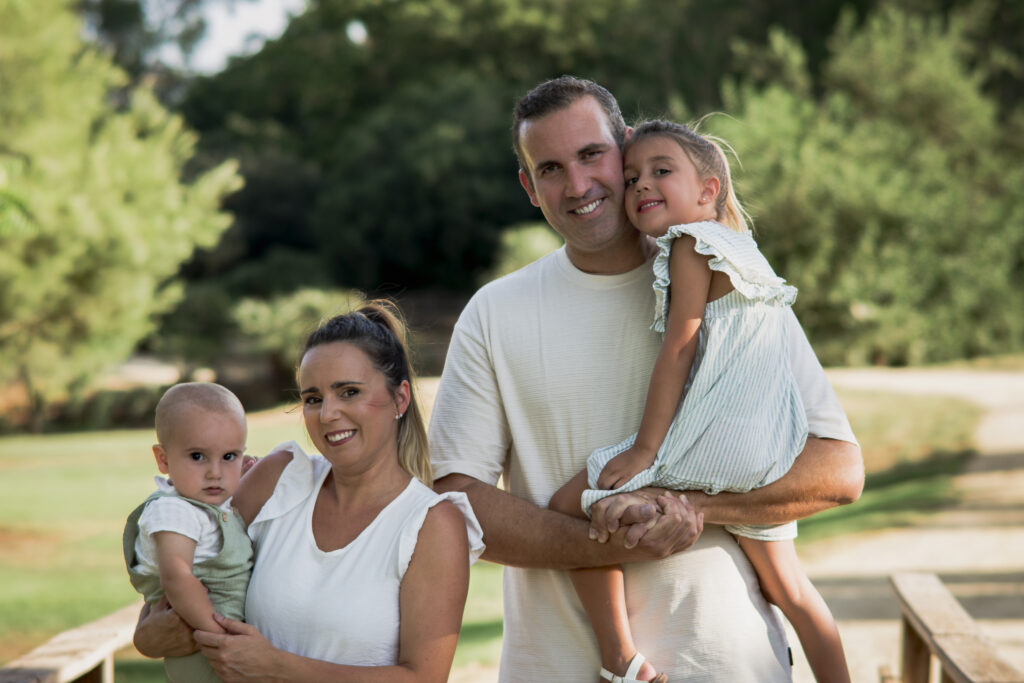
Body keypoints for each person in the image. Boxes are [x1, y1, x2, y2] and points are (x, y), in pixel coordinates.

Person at [430, 75, 863, 681]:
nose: (578, 185)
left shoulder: (727, 280)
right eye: (551, 169)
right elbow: (458, 503)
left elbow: (839, 473)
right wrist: (623, 531)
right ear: (529, 187)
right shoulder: (494, 312)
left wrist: (688, 507)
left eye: (591, 155)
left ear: (626, 148)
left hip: (726, 664)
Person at [546, 119, 849, 682]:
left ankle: (620, 659)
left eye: (662, 172)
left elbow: (679, 351)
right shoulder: (747, 253)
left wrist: (644, 450)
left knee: (572, 505)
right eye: (632, 175)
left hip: (720, 446)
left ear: (708, 191)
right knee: (791, 588)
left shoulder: (691, 244)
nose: (640, 186)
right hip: (771, 449)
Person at [133, 301, 485, 683]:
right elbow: (186, 575)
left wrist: (277, 668)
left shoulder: (432, 525)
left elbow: (424, 679)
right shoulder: (280, 478)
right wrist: (147, 636)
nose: (327, 413)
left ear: (400, 399)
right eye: (313, 398)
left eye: (348, 392)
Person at [123, 382, 253, 683]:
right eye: (198, 456)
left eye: (229, 457)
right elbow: (177, 577)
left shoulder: (209, 501)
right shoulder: (174, 511)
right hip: (205, 650)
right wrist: (221, 639)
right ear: (163, 459)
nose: (215, 472)